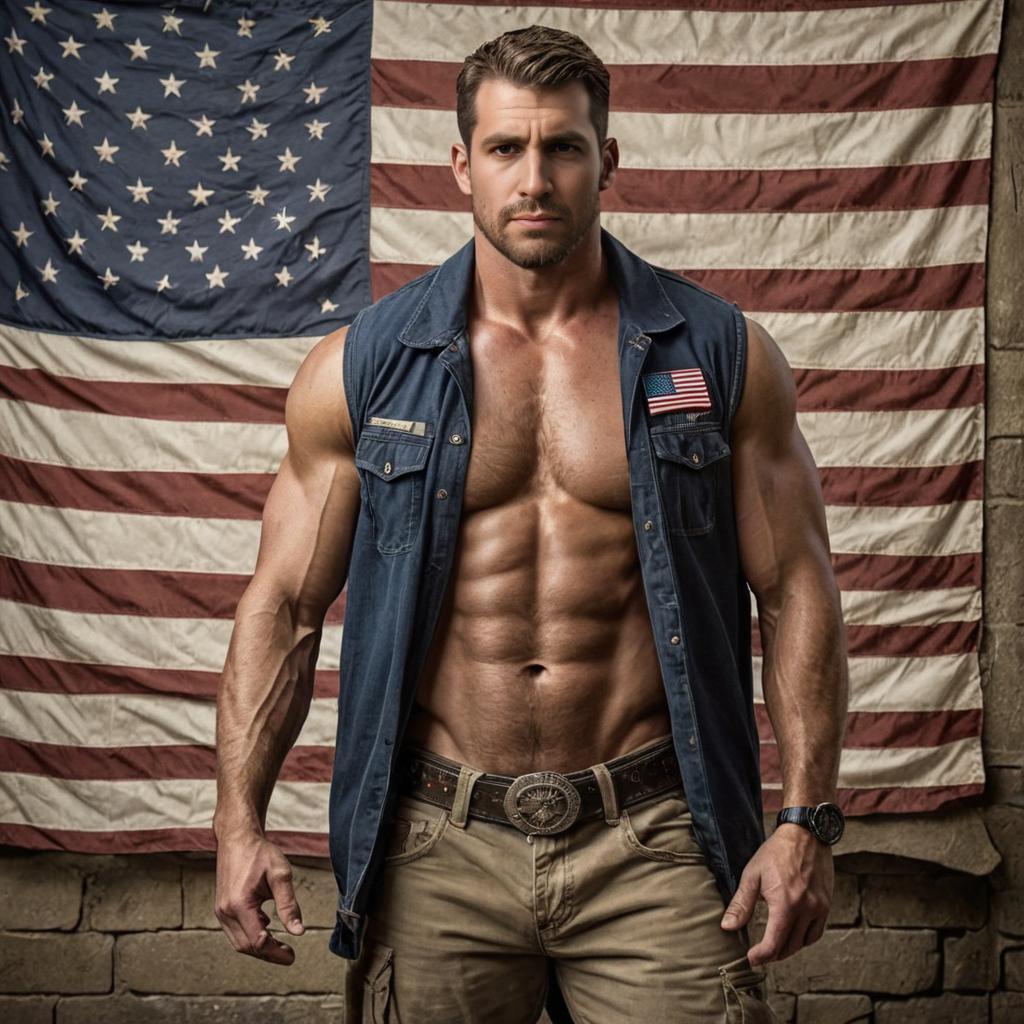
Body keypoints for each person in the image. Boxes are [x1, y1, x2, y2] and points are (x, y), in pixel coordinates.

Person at [213, 24, 849, 1023]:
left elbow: (798, 585)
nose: (536, 177)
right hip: (437, 842)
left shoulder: (722, 355)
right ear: (462, 163)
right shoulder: (362, 367)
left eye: (563, 148)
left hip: (652, 838)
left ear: (608, 159)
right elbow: (285, 604)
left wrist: (805, 817)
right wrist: (237, 820)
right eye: (507, 149)